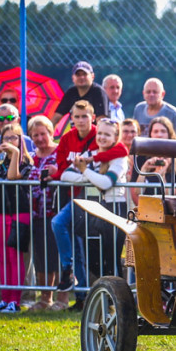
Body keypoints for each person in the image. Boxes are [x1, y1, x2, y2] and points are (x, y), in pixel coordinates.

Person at [53, 118, 130, 299]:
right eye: (100, 133)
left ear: (115, 137)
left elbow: (106, 182)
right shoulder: (90, 153)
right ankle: (104, 299)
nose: (102, 138)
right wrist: (88, 177)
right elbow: (65, 175)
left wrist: (86, 171)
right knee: (93, 260)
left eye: (107, 134)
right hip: (94, 209)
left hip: (114, 209)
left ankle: (119, 301)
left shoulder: (119, 157)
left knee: (111, 259)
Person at [49, 101, 98, 299]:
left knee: (60, 225)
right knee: (74, 244)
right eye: (76, 117)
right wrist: (68, 172)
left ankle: (70, 272)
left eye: (84, 116)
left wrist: (69, 172)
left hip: (93, 196)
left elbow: (91, 171)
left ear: (92, 117)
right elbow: (60, 167)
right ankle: (80, 294)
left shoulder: (99, 136)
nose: (80, 120)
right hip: (72, 195)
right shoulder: (67, 138)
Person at [0, 123, 33, 313]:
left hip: (20, 212)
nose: (10, 141)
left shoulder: (27, 160)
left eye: (14, 138)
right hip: (0, 211)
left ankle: (15, 300)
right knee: (3, 257)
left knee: (15, 257)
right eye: (6, 138)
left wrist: (15, 154)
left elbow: (12, 176)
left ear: (21, 140)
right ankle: (4, 299)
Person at [25, 116, 60, 311]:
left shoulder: (59, 153)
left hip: (55, 211)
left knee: (54, 254)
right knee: (39, 256)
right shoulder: (31, 156)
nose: (39, 138)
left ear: (51, 132)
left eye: (43, 133)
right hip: (36, 213)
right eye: (35, 135)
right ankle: (43, 298)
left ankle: (55, 297)